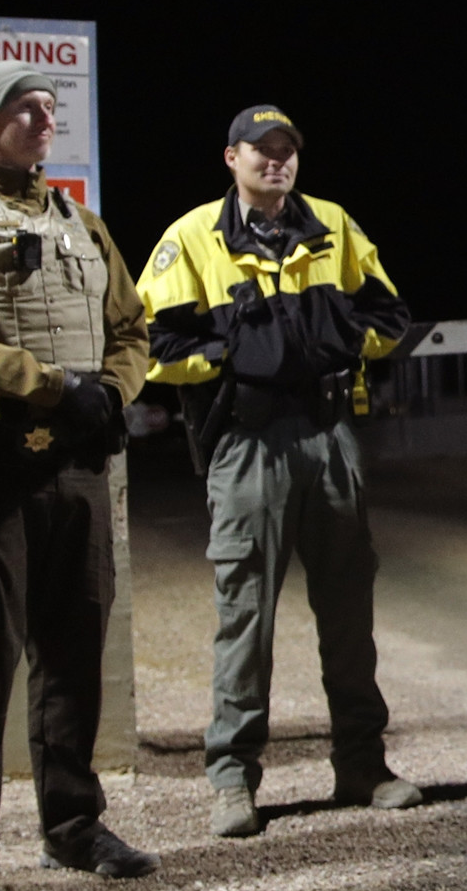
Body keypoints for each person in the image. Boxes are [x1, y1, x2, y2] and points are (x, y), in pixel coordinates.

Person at [0, 59, 158, 891]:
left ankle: (73, 825)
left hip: (78, 463)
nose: (44, 118)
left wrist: (113, 392)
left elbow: (132, 327)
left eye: (50, 106)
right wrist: (49, 385)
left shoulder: (81, 223)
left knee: (76, 646)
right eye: (25, 106)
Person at [138, 105, 419, 838]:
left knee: (349, 611)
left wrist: (343, 341)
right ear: (230, 158)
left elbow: (390, 317)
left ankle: (363, 765)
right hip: (248, 443)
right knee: (246, 616)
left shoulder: (332, 225)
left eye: (287, 149)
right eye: (261, 150)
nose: (277, 161)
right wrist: (231, 355)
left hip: (329, 437)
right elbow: (150, 344)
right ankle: (233, 779)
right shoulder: (192, 237)